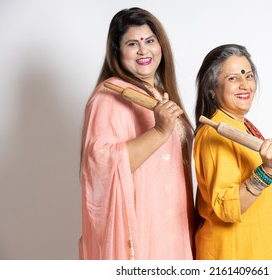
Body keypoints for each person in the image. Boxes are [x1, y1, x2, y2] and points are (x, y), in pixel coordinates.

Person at [79, 7, 195, 260]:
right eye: (133, 43)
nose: (144, 50)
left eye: (150, 41)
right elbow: (101, 165)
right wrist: (160, 131)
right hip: (142, 230)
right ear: (117, 52)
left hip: (176, 224)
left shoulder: (160, 92)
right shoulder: (110, 98)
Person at [193, 44, 272, 260]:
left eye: (249, 76)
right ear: (212, 89)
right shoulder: (215, 134)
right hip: (236, 255)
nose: (245, 85)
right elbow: (227, 206)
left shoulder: (242, 127)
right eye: (233, 78)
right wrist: (267, 172)